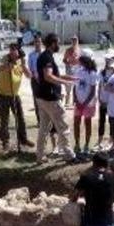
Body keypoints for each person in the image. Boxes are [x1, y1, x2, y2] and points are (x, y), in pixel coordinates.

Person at [35, 33, 78, 163]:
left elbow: (52, 75)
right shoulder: (47, 57)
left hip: (42, 98)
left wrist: (68, 78)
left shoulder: (45, 56)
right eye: (58, 43)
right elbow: (48, 76)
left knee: (43, 129)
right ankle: (69, 156)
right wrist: (63, 82)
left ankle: (40, 156)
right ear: (53, 43)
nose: (59, 45)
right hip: (51, 99)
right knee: (63, 127)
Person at [0, 43, 34, 152]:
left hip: (14, 95)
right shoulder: (4, 58)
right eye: (11, 50)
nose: (12, 52)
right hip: (2, 94)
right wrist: (9, 64)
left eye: (15, 50)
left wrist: (24, 65)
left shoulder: (21, 62)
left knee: (20, 118)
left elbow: (29, 76)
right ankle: (5, 142)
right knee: (4, 118)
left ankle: (23, 139)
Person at [28, 35, 57, 152]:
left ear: (42, 43)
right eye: (35, 42)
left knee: (51, 111)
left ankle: (54, 143)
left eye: (39, 41)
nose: (37, 43)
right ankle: (40, 121)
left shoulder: (47, 55)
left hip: (46, 82)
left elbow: (50, 73)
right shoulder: (31, 55)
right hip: (36, 81)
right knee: (38, 104)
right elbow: (31, 69)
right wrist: (36, 77)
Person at [73, 49, 100, 154]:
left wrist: (84, 104)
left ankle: (86, 145)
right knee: (76, 123)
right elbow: (75, 87)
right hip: (78, 103)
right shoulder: (77, 71)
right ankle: (77, 144)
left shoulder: (93, 73)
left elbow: (93, 91)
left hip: (88, 104)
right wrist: (75, 100)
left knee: (87, 123)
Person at [96, 50, 114, 150]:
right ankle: (99, 141)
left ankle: (111, 141)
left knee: (112, 121)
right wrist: (99, 98)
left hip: (112, 101)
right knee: (102, 121)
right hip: (103, 101)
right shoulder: (102, 72)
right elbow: (100, 86)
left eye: (110, 59)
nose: (108, 60)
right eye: (106, 59)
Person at [63, 36, 81, 106]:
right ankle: (67, 102)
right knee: (68, 86)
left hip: (77, 69)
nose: (74, 41)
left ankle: (75, 102)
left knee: (76, 86)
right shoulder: (68, 50)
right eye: (73, 40)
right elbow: (64, 60)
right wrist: (68, 64)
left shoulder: (79, 50)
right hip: (70, 69)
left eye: (75, 40)